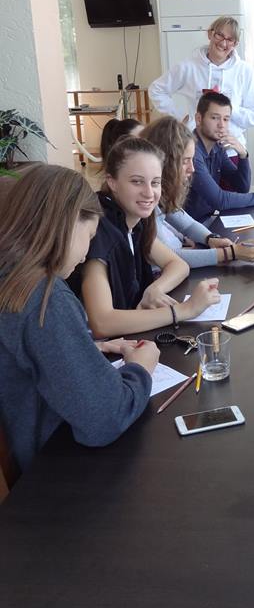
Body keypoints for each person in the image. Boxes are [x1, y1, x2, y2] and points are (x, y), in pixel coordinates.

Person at [0, 164, 159, 472]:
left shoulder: (12, 279)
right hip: (57, 470)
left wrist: (85, 348)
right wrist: (141, 368)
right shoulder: (45, 298)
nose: (86, 254)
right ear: (69, 223)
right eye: (89, 236)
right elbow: (104, 418)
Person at [78, 135, 220, 338]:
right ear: (112, 182)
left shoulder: (136, 220)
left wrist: (154, 290)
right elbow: (102, 322)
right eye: (137, 182)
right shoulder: (97, 230)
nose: (149, 193)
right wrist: (185, 310)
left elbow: (178, 264)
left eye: (155, 183)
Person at [141, 116, 254, 267]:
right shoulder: (146, 200)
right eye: (185, 161)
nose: (192, 169)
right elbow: (169, 258)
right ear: (164, 161)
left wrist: (210, 238)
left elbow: (187, 224)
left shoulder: (162, 194)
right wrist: (231, 253)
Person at [148, 15, 254, 151]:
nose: (223, 43)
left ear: (235, 44)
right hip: (196, 149)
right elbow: (156, 89)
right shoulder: (188, 67)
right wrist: (180, 118)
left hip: (231, 150)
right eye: (219, 35)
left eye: (230, 39)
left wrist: (228, 107)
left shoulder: (245, 71)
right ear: (210, 34)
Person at [184, 92, 254, 224]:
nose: (221, 125)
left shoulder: (217, 147)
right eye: (215, 118)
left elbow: (241, 187)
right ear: (198, 119)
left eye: (226, 119)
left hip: (207, 221)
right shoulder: (191, 152)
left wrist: (243, 154)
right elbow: (219, 200)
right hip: (187, 228)